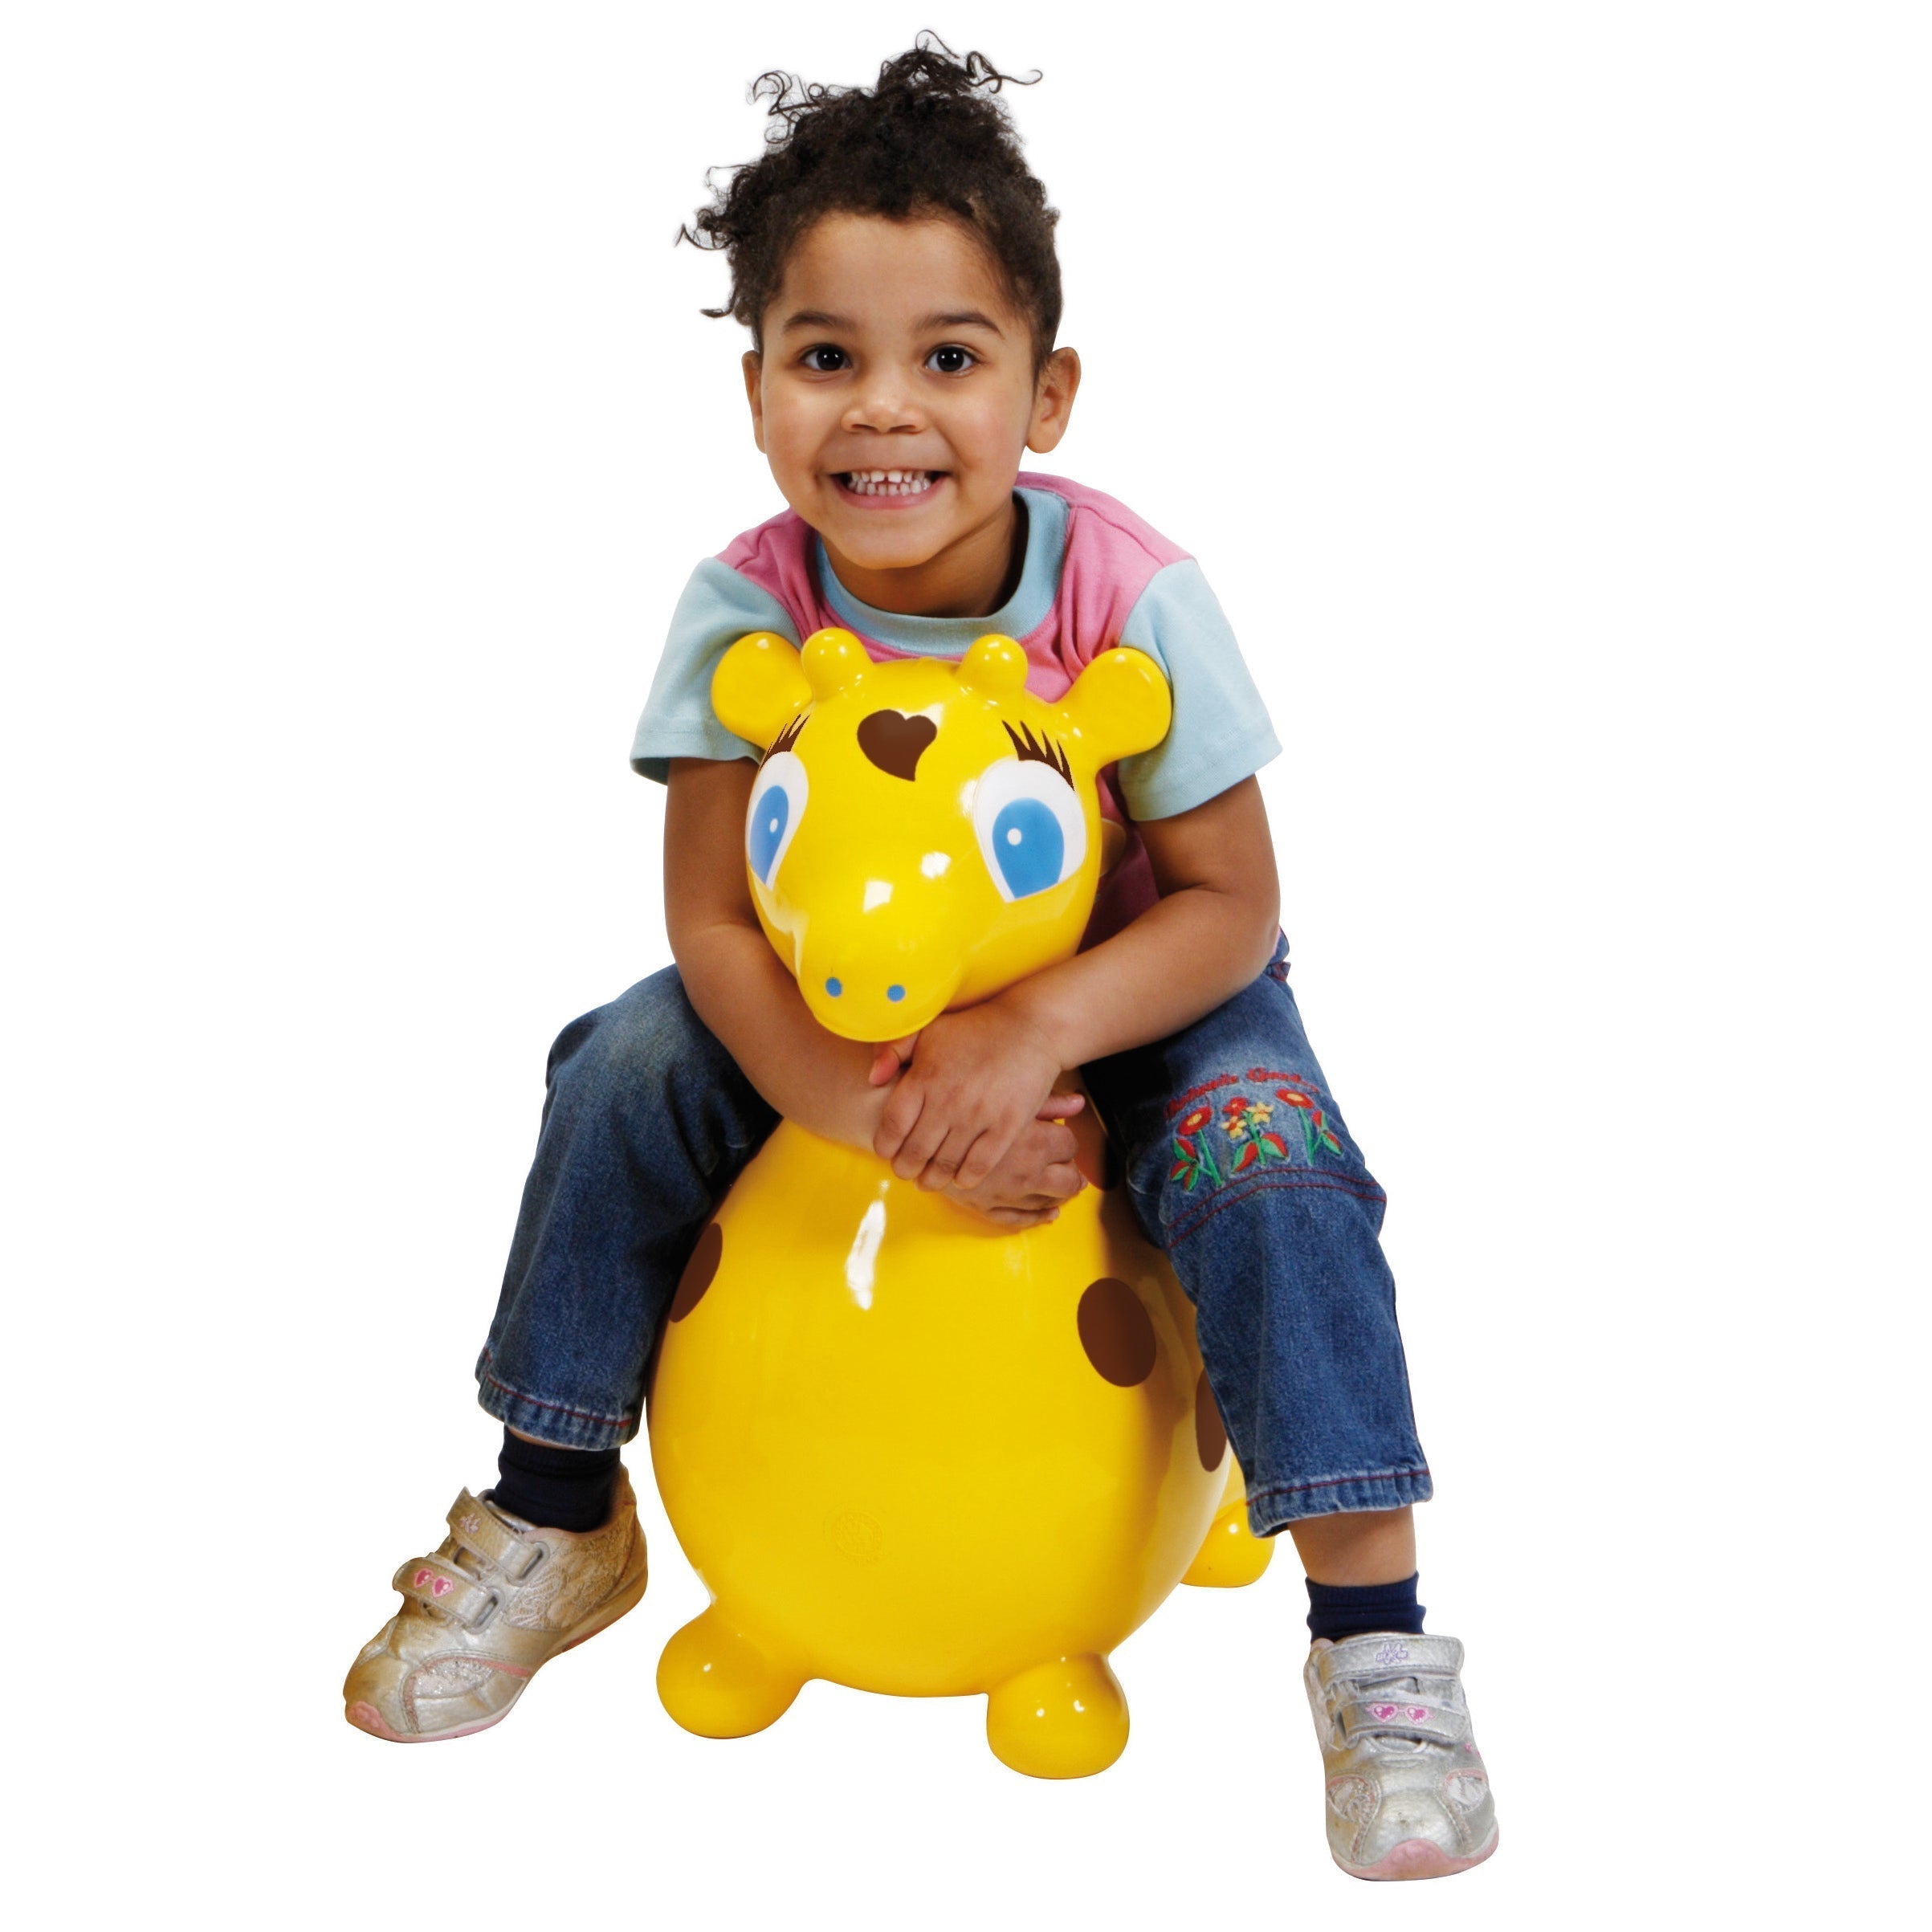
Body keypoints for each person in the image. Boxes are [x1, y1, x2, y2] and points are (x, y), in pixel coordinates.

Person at [344, 38, 1497, 1882]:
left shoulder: (1127, 592)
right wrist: (864, 1114)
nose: (885, 410)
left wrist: (1037, 1029)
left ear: (1048, 393)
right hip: (836, 1019)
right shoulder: (744, 602)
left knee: (1274, 1159)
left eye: (949, 358)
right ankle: (555, 1506)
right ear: (755, 389)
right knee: (620, 1062)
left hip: (1125, 990)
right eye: (828, 358)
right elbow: (713, 927)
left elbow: (1230, 902)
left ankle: (1378, 1642)